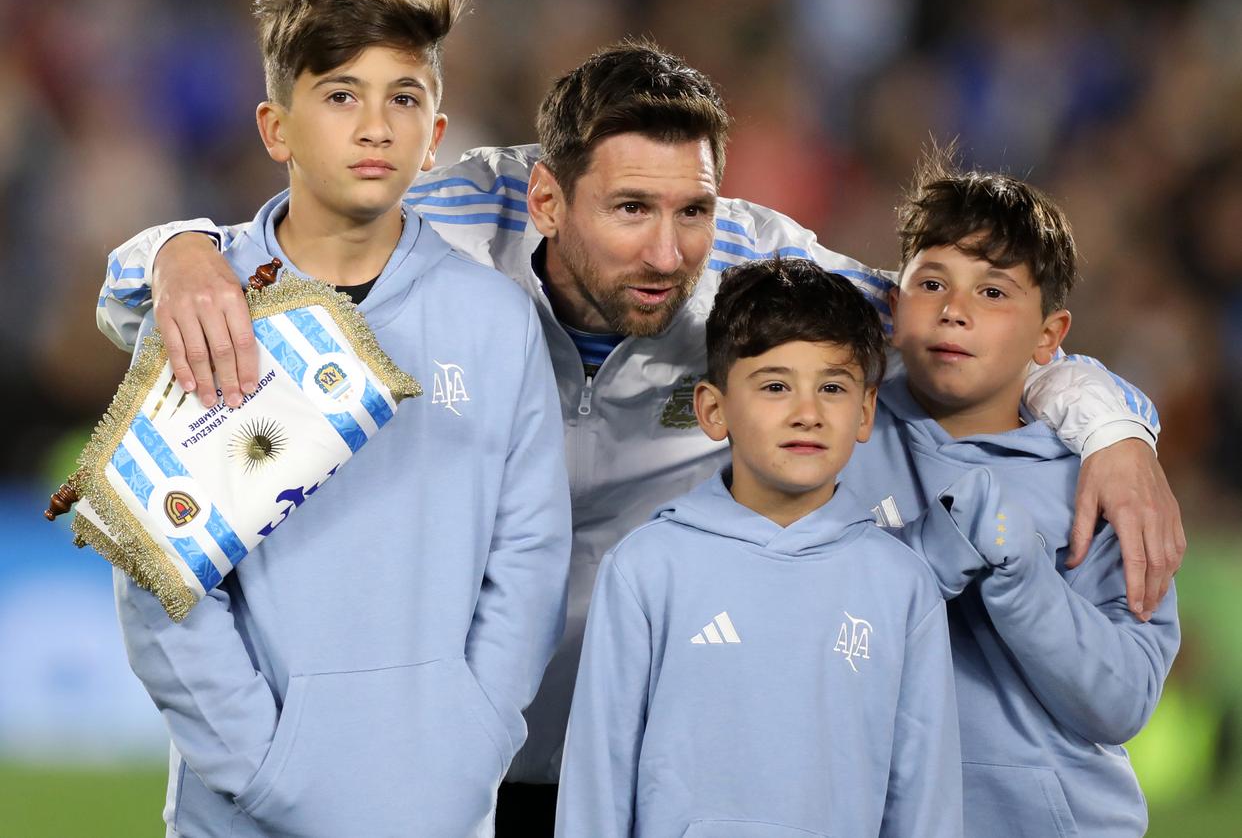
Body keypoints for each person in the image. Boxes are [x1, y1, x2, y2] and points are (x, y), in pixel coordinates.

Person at [96, 41, 1181, 830]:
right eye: (630, 211)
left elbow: (962, 332)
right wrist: (183, 250)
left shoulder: (757, 266)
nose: (670, 252)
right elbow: (171, 283)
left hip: (634, 759)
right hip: (433, 754)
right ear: (547, 198)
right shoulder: (443, 232)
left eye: (693, 209)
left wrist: (1114, 429)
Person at [112, 0, 571, 837]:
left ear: (435, 134)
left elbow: (530, 558)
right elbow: (160, 583)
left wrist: (474, 742)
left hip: (439, 806)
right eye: (339, 95)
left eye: (405, 97)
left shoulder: (495, 320)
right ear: (275, 128)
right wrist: (267, 771)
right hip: (242, 812)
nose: (376, 127)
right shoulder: (204, 307)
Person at [557, 258, 964, 837]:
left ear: (865, 411)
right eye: (775, 386)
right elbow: (597, 785)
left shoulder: (903, 584)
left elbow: (925, 802)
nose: (808, 414)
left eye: (832, 388)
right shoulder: (647, 569)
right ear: (713, 409)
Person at [843, 150, 1180, 836]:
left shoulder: (1100, 479)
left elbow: (1124, 701)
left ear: (1049, 337)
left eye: (993, 292)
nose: (955, 311)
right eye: (931, 282)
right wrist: (921, 558)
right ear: (894, 305)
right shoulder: (832, 436)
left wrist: (1024, 580)